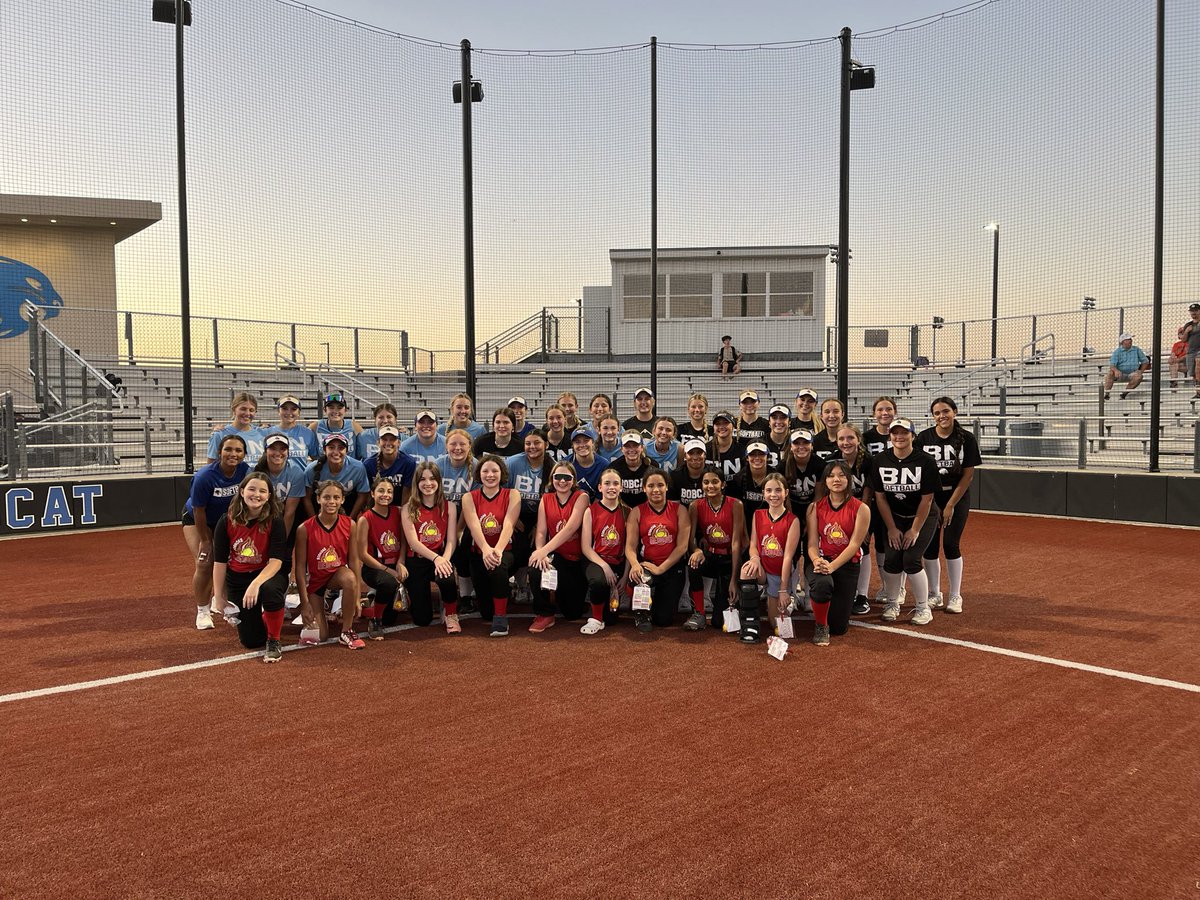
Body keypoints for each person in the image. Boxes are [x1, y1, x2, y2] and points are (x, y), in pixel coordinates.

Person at [211, 472, 290, 661]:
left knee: (270, 591)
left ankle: (274, 639)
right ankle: (265, 619)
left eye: (263, 491)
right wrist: (219, 597)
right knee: (251, 640)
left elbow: (276, 561)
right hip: (238, 578)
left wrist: (255, 584)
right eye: (252, 489)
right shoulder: (226, 521)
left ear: (269, 496)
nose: (256, 494)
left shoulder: (275, 521)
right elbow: (220, 562)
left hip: (267, 574)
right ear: (242, 491)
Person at [869, 417, 940, 625]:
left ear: (913, 435)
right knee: (891, 559)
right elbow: (880, 497)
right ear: (890, 436)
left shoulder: (925, 461)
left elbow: (927, 500)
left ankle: (923, 607)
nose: (899, 436)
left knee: (911, 559)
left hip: (922, 516)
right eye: (895, 433)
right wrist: (891, 528)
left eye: (904, 432)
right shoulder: (880, 460)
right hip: (894, 517)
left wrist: (915, 529)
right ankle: (892, 603)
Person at [918, 397, 982, 615]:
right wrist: (933, 503)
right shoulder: (924, 437)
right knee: (930, 546)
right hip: (931, 498)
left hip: (956, 497)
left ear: (954, 411)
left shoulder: (967, 439)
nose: (941, 416)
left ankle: (955, 595)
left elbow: (968, 476)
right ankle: (934, 593)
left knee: (951, 544)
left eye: (945, 411)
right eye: (936, 413)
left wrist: (950, 505)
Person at [184, 434, 249, 630]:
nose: (233, 454)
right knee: (205, 562)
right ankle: (203, 611)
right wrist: (205, 540)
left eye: (238, 450)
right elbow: (198, 510)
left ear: (244, 454)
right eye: (228, 449)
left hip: (227, 523)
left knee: (233, 563)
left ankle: (224, 603)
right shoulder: (205, 476)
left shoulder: (246, 472)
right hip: (199, 522)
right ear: (219, 452)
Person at [805, 459, 871, 646]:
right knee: (822, 585)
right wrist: (817, 560)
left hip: (846, 565)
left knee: (839, 628)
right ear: (825, 481)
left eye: (842, 475)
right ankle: (820, 625)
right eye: (831, 476)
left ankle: (828, 614)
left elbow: (854, 545)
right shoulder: (815, 507)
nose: (836, 479)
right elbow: (811, 543)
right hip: (821, 561)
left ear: (849, 479)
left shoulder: (861, 509)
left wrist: (832, 567)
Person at [295, 480, 364, 648]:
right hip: (316, 582)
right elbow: (299, 567)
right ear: (318, 499)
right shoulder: (304, 528)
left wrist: (357, 596)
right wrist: (304, 604)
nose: (331, 501)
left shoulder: (350, 524)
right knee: (320, 637)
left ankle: (346, 631)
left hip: (336, 575)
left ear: (342, 500)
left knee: (348, 577)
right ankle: (322, 610)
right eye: (326, 497)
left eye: (336, 497)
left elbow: (354, 560)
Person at [461, 454, 521, 636]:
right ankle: (502, 593)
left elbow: (509, 524)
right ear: (479, 474)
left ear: (501, 473)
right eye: (485, 471)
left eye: (494, 471)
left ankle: (501, 617)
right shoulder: (469, 497)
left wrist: (497, 551)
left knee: (498, 568)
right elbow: (473, 526)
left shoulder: (512, 494)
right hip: (479, 552)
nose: (490, 475)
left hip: (504, 551)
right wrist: (486, 550)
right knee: (486, 612)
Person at [625, 469, 691, 632]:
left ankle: (655, 602)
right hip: (648, 564)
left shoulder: (680, 510)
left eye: (660, 485)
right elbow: (630, 546)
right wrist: (634, 564)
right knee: (637, 577)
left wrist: (662, 568)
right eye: (651, 486)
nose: (656, 490)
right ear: (644, 489)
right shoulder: (637, 511)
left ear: (667, 487)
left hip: (672, 567)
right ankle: (641, 612)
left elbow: (682, 546)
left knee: (663, 620)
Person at [527, 461, 590, 632]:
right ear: (552, 479)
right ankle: (545, 613)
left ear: (573, 479)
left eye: (567, 477)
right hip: (557, 557)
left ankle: (561, 597)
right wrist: (541, 553)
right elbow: (540, 531)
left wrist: (544, 550)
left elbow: (570, 528)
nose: (562, 481)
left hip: (576, 560)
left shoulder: (581, 497)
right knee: (535, 567)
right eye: (558, 477)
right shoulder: (546, 499)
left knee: (572, 614)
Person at [401, 461, 462, 634]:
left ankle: (450, 613)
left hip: (440, 556)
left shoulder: (449, 506)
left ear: (439, 481)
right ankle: (417, 596)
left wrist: (444, 560)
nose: (428, 483)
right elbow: (413, 543)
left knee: (447, 577)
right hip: (417, 560)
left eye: (432, 479)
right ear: (416, 483)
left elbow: (451, 540)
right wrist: (436, 559)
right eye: (423, 479)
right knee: (422, 620)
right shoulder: (408, 508)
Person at [738, 472, 800, 644]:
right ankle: (749, 623)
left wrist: (782, 589)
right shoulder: (758, 515)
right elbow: (753, 544)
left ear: (786, 493)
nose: (774, 495)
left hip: (780, 574)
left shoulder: (792, 520)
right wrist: (755, 558)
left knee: (776, 624)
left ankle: (790, 595)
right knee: (747, 570)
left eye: (778, 490)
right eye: (769, 490)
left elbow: (788, 557)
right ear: (763, 493)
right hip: (763, 568)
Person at [685, 465, 744, 631]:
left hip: (728, 560)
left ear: (723, 484)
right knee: (693, 564)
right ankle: (699, 613)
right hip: (710, 556)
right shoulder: (695, 506)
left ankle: (734, 600)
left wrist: (734, 580)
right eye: (706, 482)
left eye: (715, 482)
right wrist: (696, 550)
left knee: (719, 622)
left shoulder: (736, 504)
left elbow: (736, 543)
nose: (710, 486)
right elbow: (691, 540)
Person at [828, 423, 875, 615]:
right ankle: (843, 589)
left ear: (858, 440)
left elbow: (867, 494)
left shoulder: (869, 462)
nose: (846, 442)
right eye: (841, 439)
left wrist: (859, 521)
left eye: (850, 438)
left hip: (863, 510)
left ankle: (862, 595)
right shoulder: (832, 460)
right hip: (839, 510)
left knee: (862, 548)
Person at [354, 477, 407, 640]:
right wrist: (388, 570)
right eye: (381, 491)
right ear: (372, 493)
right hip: (375, 568)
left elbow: (404, 541)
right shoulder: (365, 518)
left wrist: (401, 562)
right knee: (388, 583)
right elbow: (362, 554)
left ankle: (370, 607)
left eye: (389, 491)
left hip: (396, 566)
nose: (386, 495)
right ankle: (375, 619)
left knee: (392, 617)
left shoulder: (398, 512)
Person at [579, 468, 629, 635]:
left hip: (619, 562)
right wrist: (604, 566)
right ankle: (596, 619)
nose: (611, 487)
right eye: (607, 483)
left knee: (612, 620)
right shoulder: (590, 511)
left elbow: (630, 547)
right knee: (599, 581)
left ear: (621, 487)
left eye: (616, 483)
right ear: (600, 487)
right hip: (596, 560)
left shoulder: (627, 512)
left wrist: (625, 576)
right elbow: (586, 547)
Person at [303, 432, 370, 518]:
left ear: (347, 451)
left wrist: (351, 519)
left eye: (341, 448)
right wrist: (313, 519)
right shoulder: (312, 469)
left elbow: (362, 495)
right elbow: (306, 497)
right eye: (331, 448)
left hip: (347, 504)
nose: (336, 452)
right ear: (324, 450)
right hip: (320, 505)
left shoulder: (358, 468)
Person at [253, 432, 306, 536]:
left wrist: (281, 541)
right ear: (265, 451)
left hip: (282, 514)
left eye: (282, 448)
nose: (278, 453)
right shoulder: (255, 472)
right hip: (260, 513)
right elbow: (252, 508)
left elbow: (289, 513)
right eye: (272, 448)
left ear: (288, 452)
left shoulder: (296, 473)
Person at [206, 392, 264, 465]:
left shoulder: (262, 433)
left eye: (251, 410)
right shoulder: (219, 435)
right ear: (234, 410)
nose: (247, 413)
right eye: (243, 409)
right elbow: (211, 467)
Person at [363, 424, 417, 497]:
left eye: (392, 439)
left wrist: (402, 508)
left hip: (399, 506)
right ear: (378, 442)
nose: (388, 443)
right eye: (384, 439)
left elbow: (407, 495)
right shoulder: (369, 464)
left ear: (399, 443)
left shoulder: (409, 463)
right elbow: (369, 495)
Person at [728, 441, 771, 530]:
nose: (757, 458)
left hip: (771, 524)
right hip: (746, 525)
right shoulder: (738, 479)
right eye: (752, 455)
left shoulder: (775, 477)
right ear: (747, 458)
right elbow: (735, 511)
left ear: (767, 456)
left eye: (761, 454)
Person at [1102, 333, 1150, 400]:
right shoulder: (1117, 352)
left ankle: (1124, 393)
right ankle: (1107, 393)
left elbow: (1145, 361)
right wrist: (1116, 370)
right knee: (1110, 373)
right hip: (1120, 373)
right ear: (1122, 342)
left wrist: (1140, 371)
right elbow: (1112, 364)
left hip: (1133, 373)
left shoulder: (1136, 349)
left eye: (1130, 339)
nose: (1130, 340)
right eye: (1127, 339)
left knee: (1139, 376)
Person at [612, 430, 652, 507]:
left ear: (642, 447)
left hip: (647, 509)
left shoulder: (652, 466)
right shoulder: (614, 469)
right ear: (621, 449)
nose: (631, 449)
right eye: (627, 446)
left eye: (635, 445)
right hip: (621, 509)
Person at [569, 426, 608, 499]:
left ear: (593, 442)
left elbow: (603, 495)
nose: (582, 445)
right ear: (573, 445)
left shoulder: (604, 465)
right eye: (577, 442)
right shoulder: (566, 464)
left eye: (586, 440)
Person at [275, 395, 318, 460]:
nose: (289, 412)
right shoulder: (268, 433)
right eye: (284, 408)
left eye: (293, 409)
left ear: (299, 413)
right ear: (278, 411)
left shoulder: (308, 433)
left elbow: (316, 460)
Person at [670, 437, 710, 507]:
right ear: (685, 456)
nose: (695, 457)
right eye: (690, 453)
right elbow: (674, 507)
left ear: (705, 455)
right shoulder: (675, 476)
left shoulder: (713, 474)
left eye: (699, 452)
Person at [707, 410, 744, 482]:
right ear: (713, 428)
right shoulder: (706, 449)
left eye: (726, 423)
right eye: (718, 424)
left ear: (733, 426)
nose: (721, 427)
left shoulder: (741, 449)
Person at [764, 404, 792, 471]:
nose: (778, 421)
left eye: (783, 417)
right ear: (769, 422)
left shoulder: (796, 442)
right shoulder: (761, 442)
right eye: (774, 418)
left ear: (789, 422)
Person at [1182, 302, 1200, 398]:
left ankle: (1199, 388)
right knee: (1193, 373)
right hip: (1191, 351)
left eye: (1196, 311)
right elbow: (1184, 340)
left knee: (1198, 363)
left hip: (1199, 350)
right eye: (1192, 311)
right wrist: (1186, 331)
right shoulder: (1188, 324)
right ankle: (1198, 392)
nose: (1194, 313)